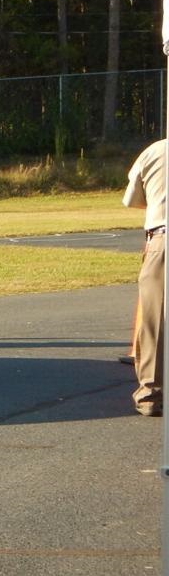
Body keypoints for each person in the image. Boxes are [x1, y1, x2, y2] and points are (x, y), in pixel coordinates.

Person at [122, 138, 166, 416]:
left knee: (154, 321)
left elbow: (134, 200)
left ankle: (151, 394)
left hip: (162, 238)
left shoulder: (153, 151)